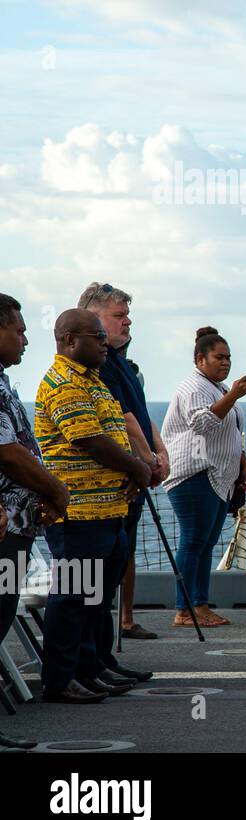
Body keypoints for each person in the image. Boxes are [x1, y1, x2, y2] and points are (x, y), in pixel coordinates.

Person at [35, 309, 154, 704]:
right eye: (96, 336)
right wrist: (137, 467)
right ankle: (60, 678)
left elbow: (113, 435)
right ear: (70, 340)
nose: (105, 342)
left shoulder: (96, 382)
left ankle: (92, 665)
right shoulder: (65, 383)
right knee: (72, 597)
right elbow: (91, 440)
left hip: (108, 511)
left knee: (95, 597)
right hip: (78, 514)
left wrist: (131, 476)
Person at [77, 282, 169, 641]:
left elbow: (139, 414)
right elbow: (122, 420)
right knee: (90, 583)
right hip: (106, 486)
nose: (127, 322)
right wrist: (147, 462)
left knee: (117, 560)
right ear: (92, 319)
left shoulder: (120, 365)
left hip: (131, 479)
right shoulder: (99, 371)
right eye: (119, 316)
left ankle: (99, 657)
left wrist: (158, 457)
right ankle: (82, 665)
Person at [0, 295, 70, 743]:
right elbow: (7, 454)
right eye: (18, 330)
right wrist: (54, 487)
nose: (25, 339)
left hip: (18, 523)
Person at [160, 327, 246, 628]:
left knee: (205, 543)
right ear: (200, 358)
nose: (225, 363)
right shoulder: (194, 387)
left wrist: (243, 464)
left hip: (216, 474)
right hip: (194, 473)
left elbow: (229, 431)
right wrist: (236, 394)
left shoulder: (218, 388)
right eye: (219, 357)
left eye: (228, 357)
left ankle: (198, 604)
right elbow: (202, 423)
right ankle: (185, 608)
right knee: (193, 541)